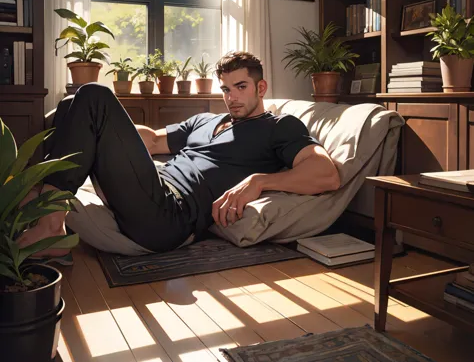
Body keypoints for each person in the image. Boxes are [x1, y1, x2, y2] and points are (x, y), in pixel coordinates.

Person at [18, 51, 340, 256]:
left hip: (171, 216)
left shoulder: (278, 127)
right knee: (71, 105)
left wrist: (258, 182)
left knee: (92, 94)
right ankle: (37, 202)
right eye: (226, 89)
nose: (232, 97)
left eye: (241, 87)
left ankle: (49, 225)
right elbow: (154, 141)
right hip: (150, 185)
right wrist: (105, 126)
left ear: (261, 88)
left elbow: (327, 174)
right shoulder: (206, 120)